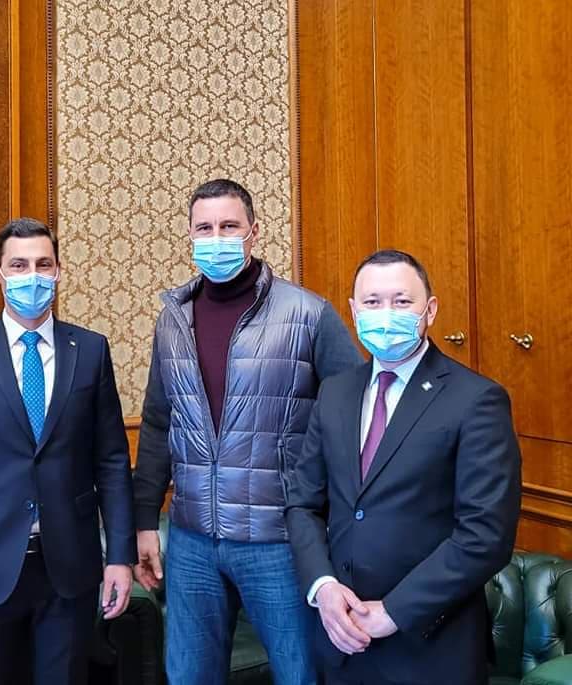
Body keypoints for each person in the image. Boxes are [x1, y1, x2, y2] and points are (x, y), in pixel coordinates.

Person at [133, 179, 361, 685]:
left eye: (229, 226)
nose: (216, 238)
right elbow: (158, 420)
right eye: (205, 228)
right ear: (190, 236)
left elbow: (351, 421)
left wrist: (334, 525)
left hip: (278, 540)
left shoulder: (308, 314)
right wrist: (144, 518)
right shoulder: (172, 319)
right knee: (188, 676)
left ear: (254, 232)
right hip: (192, 540)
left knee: (300, 674)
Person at [285, 249, 522, 684]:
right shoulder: (334, 392)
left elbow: (485, 534)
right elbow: (303, 503)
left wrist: (394, 611)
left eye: (402, 301)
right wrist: (323, 587)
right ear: (354, 311)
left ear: (429, 310)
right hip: (341, 641)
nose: (386, 314)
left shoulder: (476, 400)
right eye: (372, 302)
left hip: (430, 647)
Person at [0, 217, 136, 685]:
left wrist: (119, 557)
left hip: (69, 568)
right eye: (18, 265)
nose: (32, 276)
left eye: (43, 264)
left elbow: (112, 462)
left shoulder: (91, 350)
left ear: (58, 270)